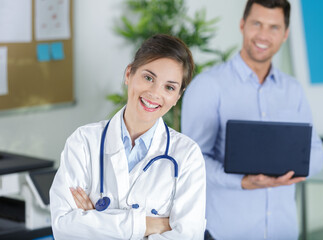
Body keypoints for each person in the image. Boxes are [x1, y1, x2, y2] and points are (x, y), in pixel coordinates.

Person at [181, 0, 323, 239]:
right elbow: (192, 161)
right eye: (257, 23)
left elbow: (316, 152)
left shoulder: (293, 90)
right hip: (227, 233)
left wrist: (291, 172)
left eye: (274, 27)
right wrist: (241, 182)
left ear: (285, 34)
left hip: (284, 232)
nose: (263, 35)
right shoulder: (208, 86)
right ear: (242, 25)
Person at [50, 34, 206, 240]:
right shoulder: (84, 141)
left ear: (177, 97)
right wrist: (147, 224)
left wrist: (94, 220)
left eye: (169, 87)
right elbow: (63, 227)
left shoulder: (187, 155)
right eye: (148, 78)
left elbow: (189, 235)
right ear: (129, 74)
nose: (154, 93)